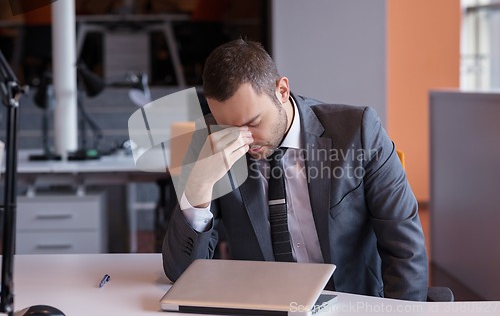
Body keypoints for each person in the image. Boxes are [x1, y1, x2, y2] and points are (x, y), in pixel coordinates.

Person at [162, 39, 428, 301]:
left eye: (253, 122)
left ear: (282, 90)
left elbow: (405, 249)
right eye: (227, 127)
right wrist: (198, 187)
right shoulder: (209, 143)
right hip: (262, 304)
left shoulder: (357, 132)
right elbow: (182, 275)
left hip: (352, 303)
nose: (243, 139)